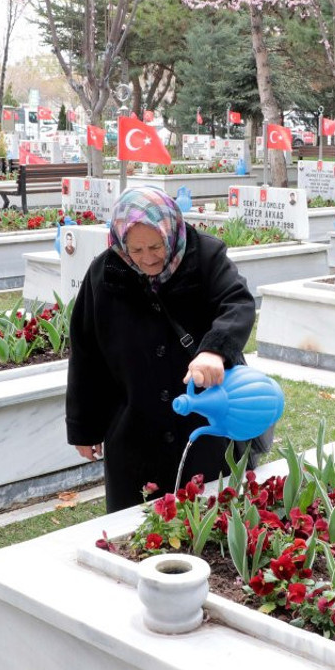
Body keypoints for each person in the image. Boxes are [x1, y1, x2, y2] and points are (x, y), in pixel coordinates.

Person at [67, 187, 258, 513]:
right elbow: (86, 354)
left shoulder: (205, 257)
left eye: (156, 246)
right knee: (138, 530)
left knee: (209, 521)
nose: (147, 258)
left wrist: (214, 350)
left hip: (204, 423)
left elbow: (237, 303)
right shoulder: (106, 272)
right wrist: (84, 428)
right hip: (133, 430)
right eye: (135, 249)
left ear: (170, 232)